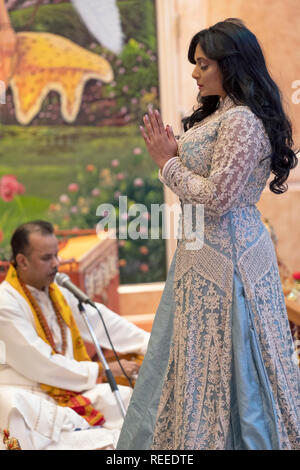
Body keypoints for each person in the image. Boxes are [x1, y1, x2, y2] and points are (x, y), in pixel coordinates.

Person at [117, 18, 300, 450]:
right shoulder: (221, 113)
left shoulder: (241, 121)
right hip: (204, 251)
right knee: (194, 357)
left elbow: (220, 197)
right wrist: (175, 152)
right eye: (194, 64)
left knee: (228, 363)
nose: (195, 73)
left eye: (202, 64)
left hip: (228, 258)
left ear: (229, 65)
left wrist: (168, 162)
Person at [0, 220, 150, 450]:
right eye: (46, 258)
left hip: (65, 391)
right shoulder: (6, 304)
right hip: (29, 395)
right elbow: (42, 364)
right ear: (22, 261)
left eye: (56, 255)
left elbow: (100, 320)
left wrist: (149, 343)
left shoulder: (56, 292)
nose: (56, 264)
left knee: (126, 399)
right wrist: (104, 370)